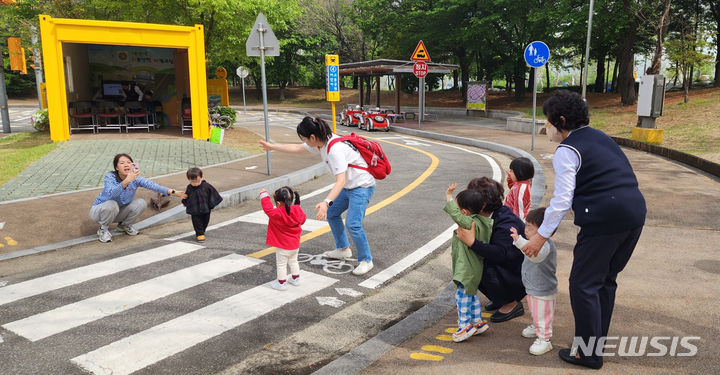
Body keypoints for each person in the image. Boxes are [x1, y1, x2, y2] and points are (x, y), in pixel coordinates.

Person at [522, 90, 646, 369]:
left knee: (583, 284)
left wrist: (541, 236)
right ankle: (593, 346)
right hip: (634, 214)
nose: (546, 128)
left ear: (561, 120)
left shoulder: (567, 150)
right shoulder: (600, 137)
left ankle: (587, 354)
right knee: (605, 281)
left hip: (603, 220)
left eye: (548, 121)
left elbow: (562, 199)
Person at [258, 117, 377, 276]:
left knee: (353, 223)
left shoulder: (334, 150)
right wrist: (273, 146)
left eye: (305, 138)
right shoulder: (322, 143)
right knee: (333, 215)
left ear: (312, 137)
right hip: (349, 186)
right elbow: (298, 148)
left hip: (361, 187)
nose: (305, 142)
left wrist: (326, 202)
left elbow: (340, 181)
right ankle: (343, 249)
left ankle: (366, 260)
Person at [456, 177, 526, 323]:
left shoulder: (505, 221)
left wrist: (472, 243)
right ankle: (500, 297)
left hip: (518, 274)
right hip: (507, 266)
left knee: (482, 264)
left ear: (482, 205)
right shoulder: (483, 216)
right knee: (473, 261)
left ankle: (511, 302)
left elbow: (500, 254)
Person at [90, 153, 183, 243]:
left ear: (133, 165)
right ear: (117, 168)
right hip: (99, 212)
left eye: (129, 162)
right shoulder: (110, 177)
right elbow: (112, 194)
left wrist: (173, 192)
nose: (126, 165)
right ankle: (103, 230)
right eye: (122, 163)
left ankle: (124, 226)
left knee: (141, 203)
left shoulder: (135, 178)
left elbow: (153, 186)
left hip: (117, 212)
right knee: (112, 204)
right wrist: (126, 182)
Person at [443, 183, 493, 342]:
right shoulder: (483, 222)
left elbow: (456, 216)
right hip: (475, 267)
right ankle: (477, 322)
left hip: (465, 267)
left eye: (458, 208)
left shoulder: (469, 222)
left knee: (462, 296)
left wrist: (449, 197)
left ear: (465, 212)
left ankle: (464, 325)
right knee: (471, 294)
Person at [510, 207, 557, 356]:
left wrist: (518, 241)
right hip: (533, 287)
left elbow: (534, 255)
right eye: (526, 226)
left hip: (543, 288)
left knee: (543, 314)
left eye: (530, 227)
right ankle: (537, 326)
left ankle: (545, 339)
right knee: (536, 311)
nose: (526, 230)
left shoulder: (544, 245)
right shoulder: (534, 242)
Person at [259, 186, 307, 291]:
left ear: (279, 203)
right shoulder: (297, 209)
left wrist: (264, 195)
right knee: (294, 261)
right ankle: (296, 278)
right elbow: (303, 219)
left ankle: (281, 283)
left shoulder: (278, 213)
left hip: (283, 246)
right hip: (295, 245)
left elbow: (268, 209)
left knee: (281, 265)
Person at [180, 167, 223, 243]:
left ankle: (202, 231)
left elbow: (213, 194)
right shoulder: (189, 187)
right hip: (195, 209)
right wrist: (185, 201)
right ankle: (199, 234)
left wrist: (212, 204)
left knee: (205, 221)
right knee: (196, 221)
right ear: (189, 180)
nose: (195, 184)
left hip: (206, 208)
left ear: (202, 177)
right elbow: (187, 195)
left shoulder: (206, 186)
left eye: (197, 181)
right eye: (193, 182)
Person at [505, 157, 534, 221]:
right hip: (510, 217)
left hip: (514, 221)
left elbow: (519, 211)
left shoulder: (521, 188)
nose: (510, 172)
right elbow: (512, 186)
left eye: (512, 171)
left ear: (519, 173)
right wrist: (510, 177)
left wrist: (517, 226)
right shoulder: (519, 184)